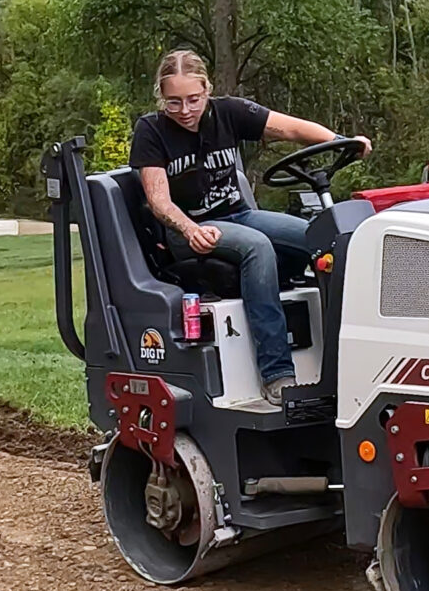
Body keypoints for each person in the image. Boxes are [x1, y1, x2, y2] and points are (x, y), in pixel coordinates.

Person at [130, 49, 368, 408]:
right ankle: (277, 374)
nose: (185, 110)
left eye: (193, 99)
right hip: (188, 229)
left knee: (324, 237)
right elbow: (160, 201)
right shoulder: (151, 131)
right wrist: (191, 230)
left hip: (237, 215)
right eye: (174, 102)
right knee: (257, 246)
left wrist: (340, 139)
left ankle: (350, 355)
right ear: (161, 97)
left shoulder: (228, 112)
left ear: (207, 90)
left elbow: (290, 128)